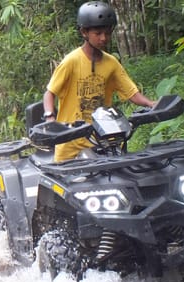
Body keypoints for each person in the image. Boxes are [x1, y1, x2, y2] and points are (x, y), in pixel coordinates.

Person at [42, 1, 156, 162]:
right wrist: (50, 119)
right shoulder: (71, 61)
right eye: (98, 33)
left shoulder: (111, 63)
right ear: (84, 32)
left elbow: (132, 93)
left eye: (108, 33)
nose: (104, 38)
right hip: (70, 141)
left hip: (103, 140)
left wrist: (152, 104)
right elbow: (49, 93)